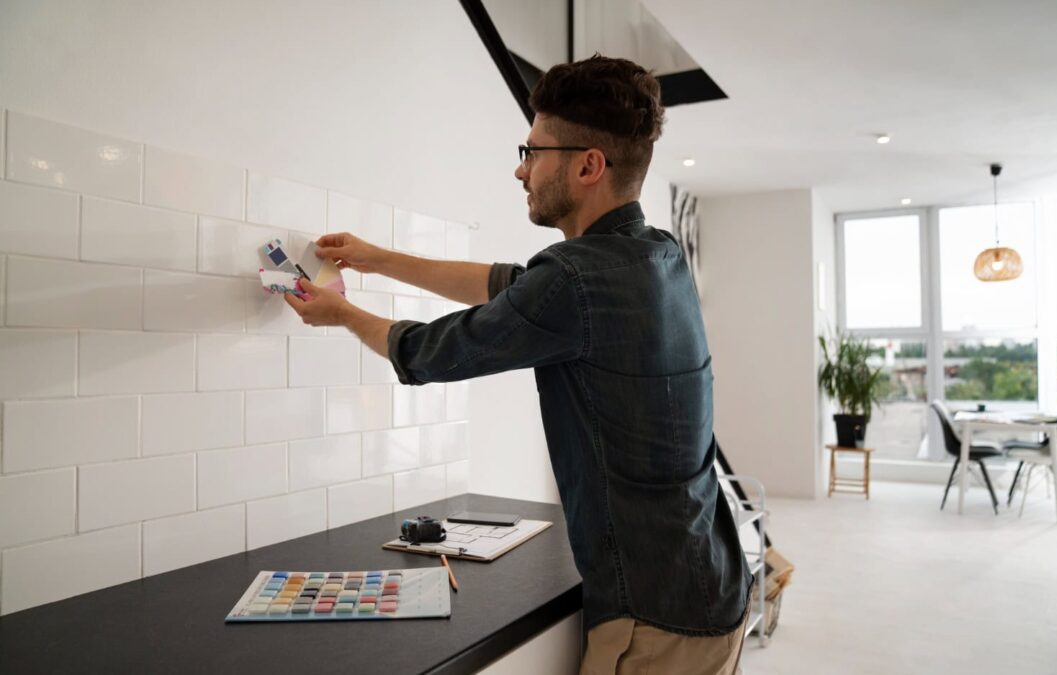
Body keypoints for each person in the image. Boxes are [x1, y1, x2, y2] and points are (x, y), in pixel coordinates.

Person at [285, 54, 752, 675]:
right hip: (711, 583)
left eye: (533, 151)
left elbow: (433, 351)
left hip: (654, 618)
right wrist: (380, 259)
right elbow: (509, 284)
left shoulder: (576, 278)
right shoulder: (656, 253)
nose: (519, 169)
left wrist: (343, 315)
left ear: (588, 165)